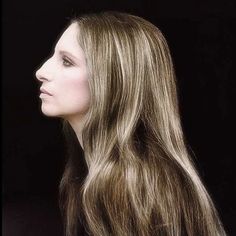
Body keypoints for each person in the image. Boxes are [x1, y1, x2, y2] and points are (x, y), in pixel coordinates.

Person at [35, 11, 227, 236]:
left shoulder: (133, 190)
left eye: (67, 62)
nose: (41, 72)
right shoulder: (94, 173)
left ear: (114, 78)